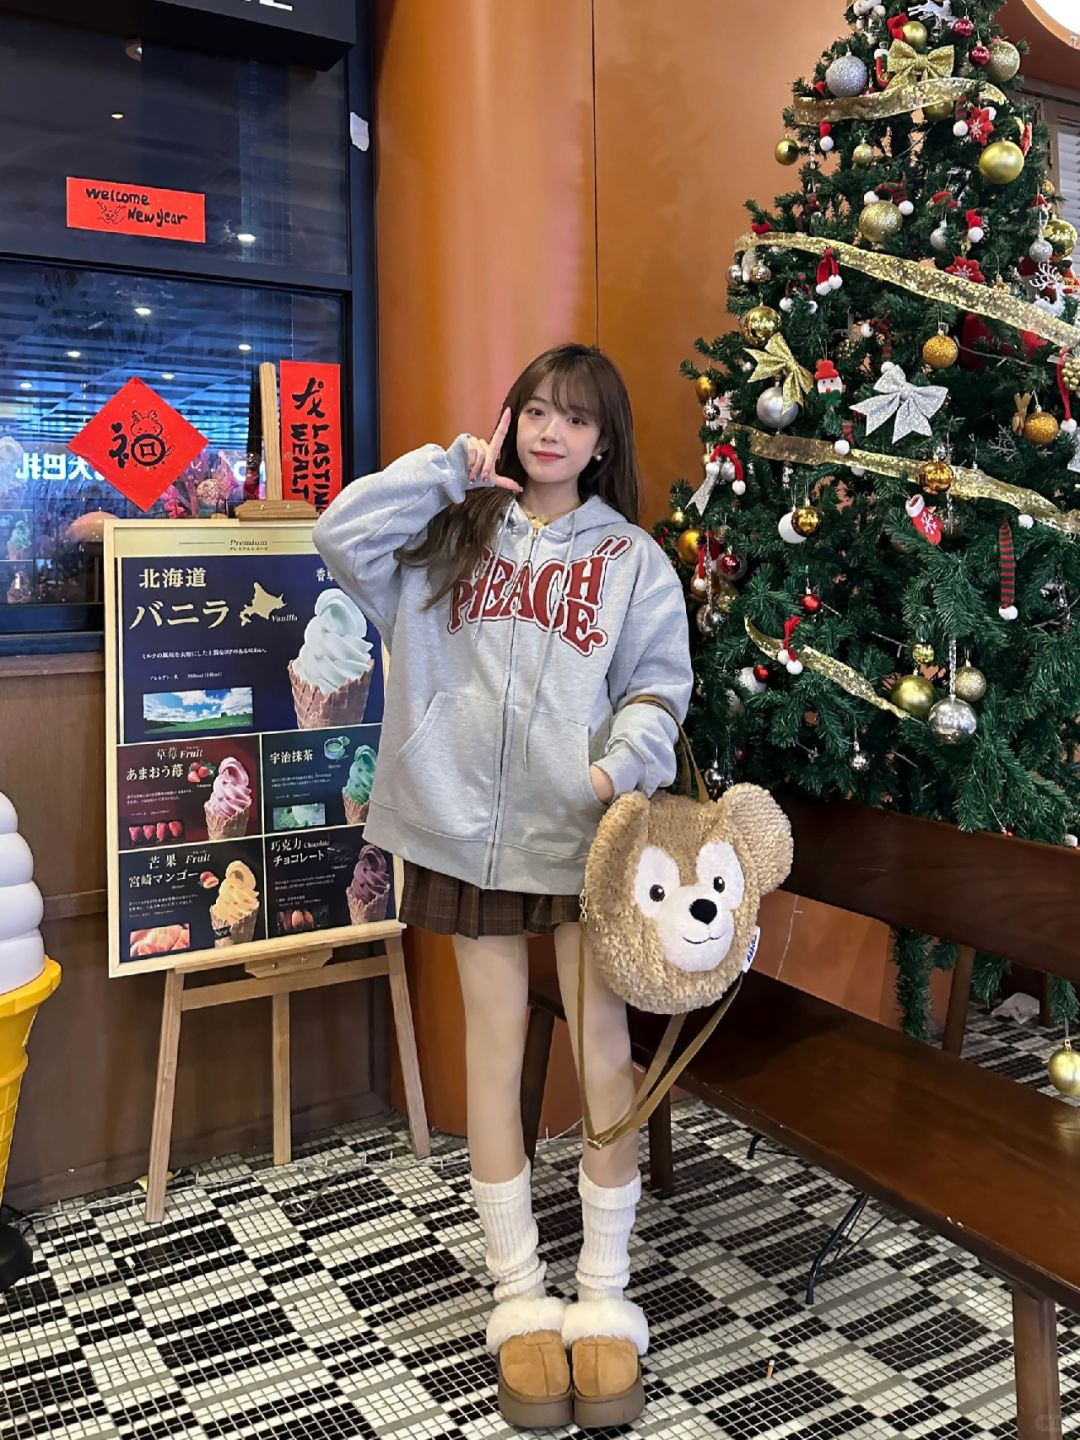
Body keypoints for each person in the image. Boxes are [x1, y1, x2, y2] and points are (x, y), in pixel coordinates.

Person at [313, 343, 692, 1430]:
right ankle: (519, 1291)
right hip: (458, 831)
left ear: (603, 441)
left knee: (603, 1049)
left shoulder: (630, 560)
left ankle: (606, 1292)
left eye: (575, 418)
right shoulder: (450, 530)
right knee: (493, 1048)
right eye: (535, 410)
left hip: (582, 838)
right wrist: (448, 470)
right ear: (510, 420)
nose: (550, 432)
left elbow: (658, 686)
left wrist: (614, 770)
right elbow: (339, 535)